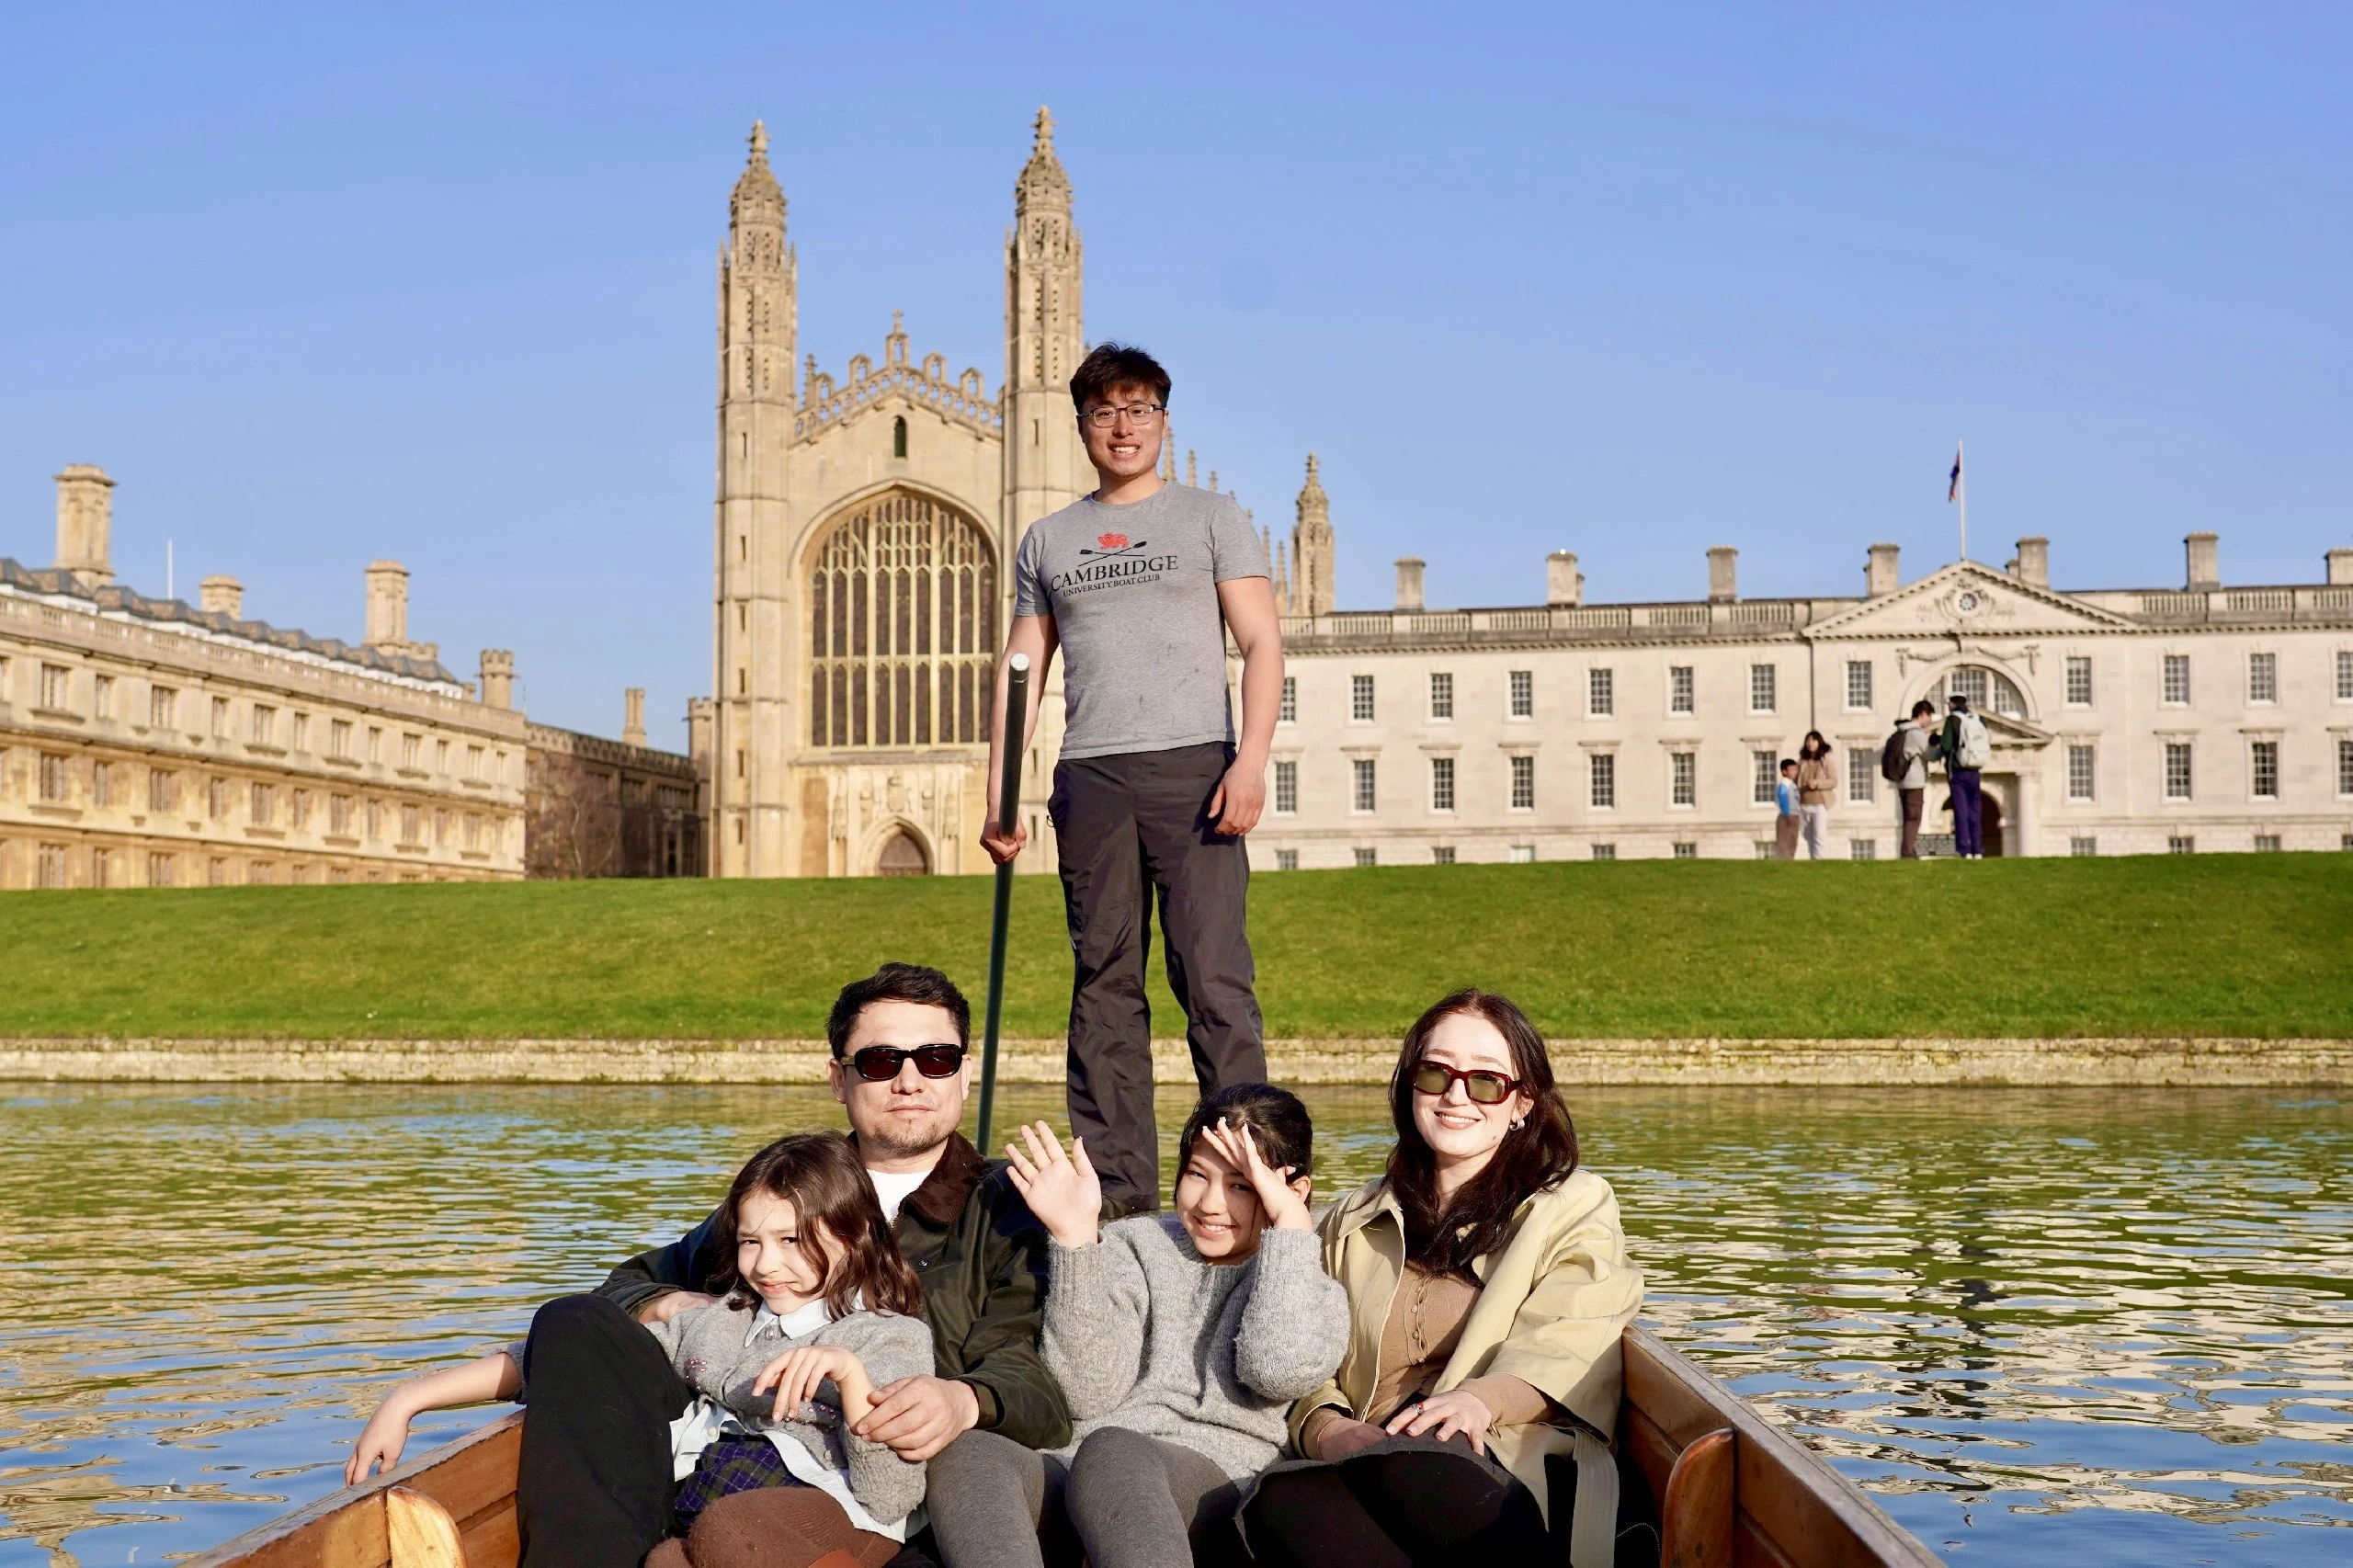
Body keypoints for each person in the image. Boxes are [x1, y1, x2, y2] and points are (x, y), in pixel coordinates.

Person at [502, 964, 1068, 1568]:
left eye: (935, 1059)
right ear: (838, 1079)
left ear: (965, 1073)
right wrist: (672, 1304)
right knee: (578, 1323)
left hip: (882, 1499)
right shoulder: (786, 1190)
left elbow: (1040, 1378)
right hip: (724, 1465)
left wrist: (963, 1398)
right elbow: (624, 1286)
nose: (909, 1080)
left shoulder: (1013, 1205)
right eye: (880, 1061)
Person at [980, 343, 1285, 1216]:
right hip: (1093, 776)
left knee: (1213, 979)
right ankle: (1117, 1199)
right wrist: (1002, 794)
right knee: (1104, 983)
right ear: (1081, 425)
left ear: (1163, 419)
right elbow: (1021, 672)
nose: (1124, 427)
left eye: (1140, 410)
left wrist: (1251, 759)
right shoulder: (1049, 539)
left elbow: (1262, 642)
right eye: (1106, 412)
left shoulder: (1211, 517)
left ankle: (1244, 1175)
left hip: (1195, 768)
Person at [349, 1134, 935, 1568]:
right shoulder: (721, 1321)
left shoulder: (887, 1335)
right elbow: (563, 1362)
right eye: (751, 1242)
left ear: (852, 1235)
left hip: (832, 1518)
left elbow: (892, 1496)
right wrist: (409, 1398)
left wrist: (850, 1378)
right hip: (706, 1509)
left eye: (792, 1241)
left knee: (733, 1531)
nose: (766, 1264)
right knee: (573, 1322)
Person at [1243, 990, 1646, 1568]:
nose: (1456, 1096)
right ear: (1411, 1086)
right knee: (1280, 1503)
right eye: (1436, 1073)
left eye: (1486, 1081)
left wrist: (1478, 1401)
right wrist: (1326, 1428)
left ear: (1522, 1103)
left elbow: (1572, 1334)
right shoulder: (1351, 1219)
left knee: (1429, 1453)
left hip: (1505, 1462)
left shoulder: (1573, 1206)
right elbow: (1305, 1350)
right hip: (1369, 1462)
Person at [924, 1085, 1349, 1568]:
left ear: (1292, 1188)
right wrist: (1076, 1240)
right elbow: (1086, 1393)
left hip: (1215, 1485)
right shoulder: (1134, 1244)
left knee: (1116, 1454)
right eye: (1196, 1174)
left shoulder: (1308, 1287)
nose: (1210, 1203)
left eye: (1241, 1186)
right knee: (971, 1452)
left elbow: (1277, 1372)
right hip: (1084, 1466)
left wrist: (1291, 1230)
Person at [1933, 693, 1990, 858]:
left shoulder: (1953, 720)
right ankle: (1977, 850)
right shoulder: (1978, 719)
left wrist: (1936, 744)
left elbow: (1946, 745)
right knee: (1975, 811)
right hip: (1975, 770)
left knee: (1961, 811)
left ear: (1952, 704)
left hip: (1958, 771)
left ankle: (1964, 849)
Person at [1895, 700, 1936, 858]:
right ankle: (1907, 852)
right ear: (1922, 714)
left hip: (1902, 782)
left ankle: (1909, 850)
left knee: (1907, 817)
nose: (1930, 720)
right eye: (1929, 716)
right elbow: (1930, 755)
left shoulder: (1901, 732)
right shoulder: (1916, 734)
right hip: (1914, 782)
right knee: (1914, 818)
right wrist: (1939, 749)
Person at [1794, 731, 1837, 860]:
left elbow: (1833, 781)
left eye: (1813, 740)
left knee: (1819, 835)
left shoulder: (1826, 761)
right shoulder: (1801, 762)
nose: (1810, 743)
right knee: (1807, 835)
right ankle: (1813, 860)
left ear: (1819, 742)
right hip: (1804, 804)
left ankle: (1820, 860)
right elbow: (1795, 781)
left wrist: (1817, 783)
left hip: (1819, 804)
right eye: (1808, 740)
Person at [1773, 758, 1802, 859]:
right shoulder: (1784, 784)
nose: (1795, 772)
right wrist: (1786, 813)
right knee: (1784, 840)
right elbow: (1783, 799)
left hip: (1795, 815)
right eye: (1792, 770)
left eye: (1796, 770)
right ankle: (1783, 859)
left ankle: (1790, 858)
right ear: (1784, 771)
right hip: (1787, 816)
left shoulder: (1793, 784)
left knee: (1793, 840)